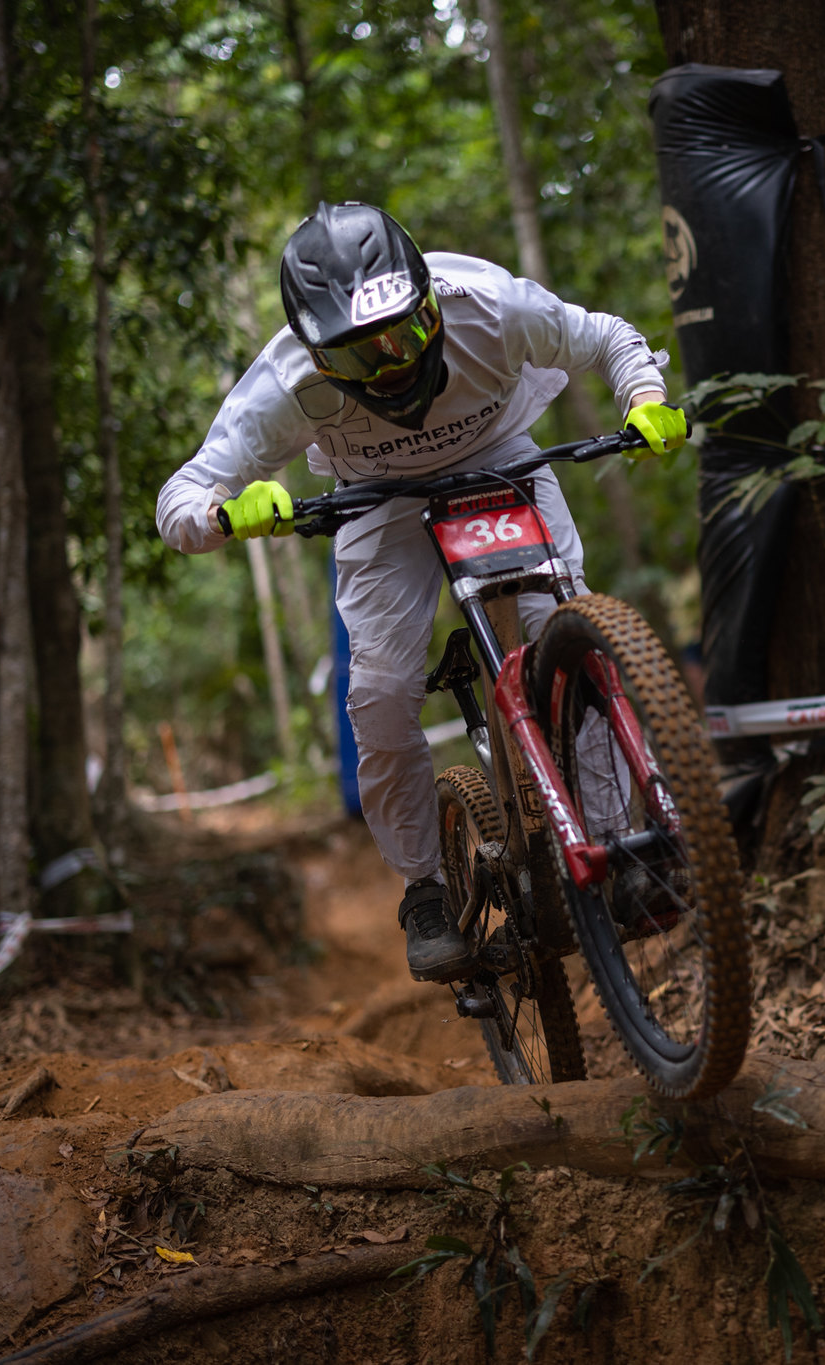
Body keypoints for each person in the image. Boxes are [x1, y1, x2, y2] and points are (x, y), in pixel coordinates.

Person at [157, 202, 686, 983]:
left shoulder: (490, 304)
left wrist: (643, 397)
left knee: (567, 637)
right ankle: (426, 889)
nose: (393, 366)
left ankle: (618, 844)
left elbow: (606, 335)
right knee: (379, 689)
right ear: (317, 355)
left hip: (502, 458)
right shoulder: (283, 380)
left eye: (403, 335)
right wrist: (225, 512)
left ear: (430, 302)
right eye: (360, 357)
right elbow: (180, 499)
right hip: (374, 496)